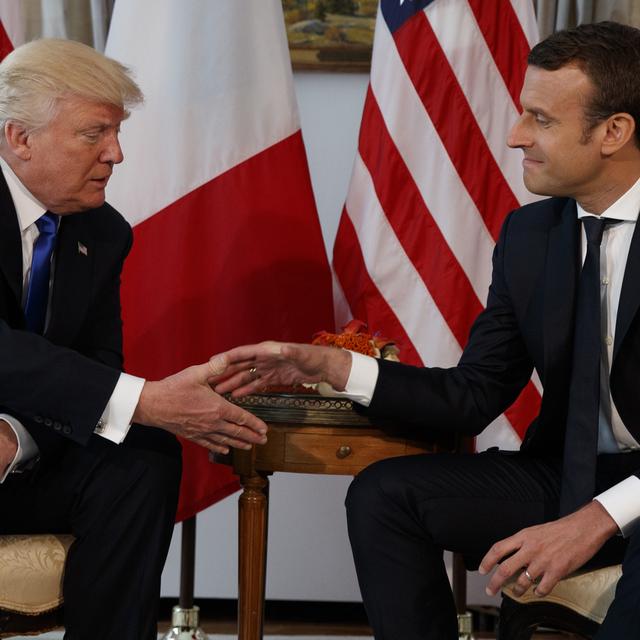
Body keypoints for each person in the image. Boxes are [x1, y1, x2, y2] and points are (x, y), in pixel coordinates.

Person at [215, 21, 640, 640]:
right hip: (568, 474)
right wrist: (335, 368)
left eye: (541, 119)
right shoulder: (529, 236)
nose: (516, 136)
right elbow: (472, 394)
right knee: (384, 495)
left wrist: (601, 516)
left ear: (614, 132)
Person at [0, 39, 268, 640]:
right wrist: (146, 399)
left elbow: (94, 362)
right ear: (20, 138)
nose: (115, 155)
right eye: (93, 134)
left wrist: (15, 438)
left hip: (18, 458)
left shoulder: (104, 230)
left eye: (117, 133)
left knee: (143, 453)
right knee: (137, 416)